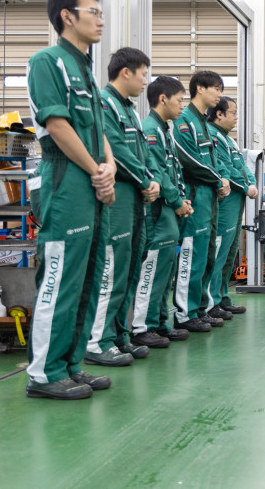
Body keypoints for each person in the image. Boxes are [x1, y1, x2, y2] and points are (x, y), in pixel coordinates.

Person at [25, 0, 116, 400]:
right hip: (65, 180)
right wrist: (97, 172)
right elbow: (57, 125)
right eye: (93, 12)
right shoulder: (48, 62)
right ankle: (44, 373)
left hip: (91, 179)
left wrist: (109, 167)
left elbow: (99, 131)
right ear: (67, 16)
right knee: (60, 277)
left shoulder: (86, 72)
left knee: (87, 278)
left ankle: (70, 364)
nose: (100, 20)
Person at [83, 47, 159, 367]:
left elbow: (142, 154)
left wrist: (150, 181)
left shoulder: (129, 110)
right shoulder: (105, 103)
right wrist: (145, 180)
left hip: (135, 199)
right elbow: (115, 149)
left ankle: (117, 335)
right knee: (111, 269)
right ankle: (96, 341)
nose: (145, 81)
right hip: (118, 198)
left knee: (128, 270)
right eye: (142, 74)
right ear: (125, 72)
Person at [131, 76, 193, 347]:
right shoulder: (150, 130)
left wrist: (181, 199)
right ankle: (141, 326)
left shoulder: (164, 130)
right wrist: (176, 200)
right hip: (157, 211)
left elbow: (172, 171)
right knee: (153, 268)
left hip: (169, 209)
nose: (182, 106)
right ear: (163, 99)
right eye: (179, 100)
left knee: (166, 270)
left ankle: (158, 322)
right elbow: (156, 171)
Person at [173, 70, 229, 330]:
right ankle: (185, 313)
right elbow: (187, 159)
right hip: (195, 196)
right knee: (192, 255)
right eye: (216, 88)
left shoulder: (205, 124)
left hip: (210, 198)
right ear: (199, 89)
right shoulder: (185, 121)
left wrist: (222, 180)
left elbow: (213, 160)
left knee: (207, 255)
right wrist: (218, 180)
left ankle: (199, 308)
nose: (219, 94)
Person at [206, 96, 258, 316]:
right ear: (219, 114)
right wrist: (246, 187)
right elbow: (225, 169)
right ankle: (211, 302)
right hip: (226, 202)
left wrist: (252, 183)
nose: (236, 117)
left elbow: (243, 167)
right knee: (219, 252)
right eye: (233, 113)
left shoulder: (229, 140)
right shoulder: (212, 136)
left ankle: (222, 296)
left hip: (237, 202)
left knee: (230, 252)